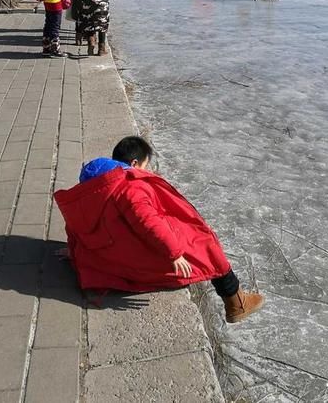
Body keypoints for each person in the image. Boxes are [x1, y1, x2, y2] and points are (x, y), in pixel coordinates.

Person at [54, 136, 264, 323]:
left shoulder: (93, 186)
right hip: (135, 255)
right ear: (134, 164)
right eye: (146, 166)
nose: (148, 171)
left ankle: (235, 300)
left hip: (111, 250)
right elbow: (147, 221)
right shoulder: (129, 186)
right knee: (205, 244)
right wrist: (174, 252)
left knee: (192, 237)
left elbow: (75, 223)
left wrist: (75, 250)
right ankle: (236, 303)